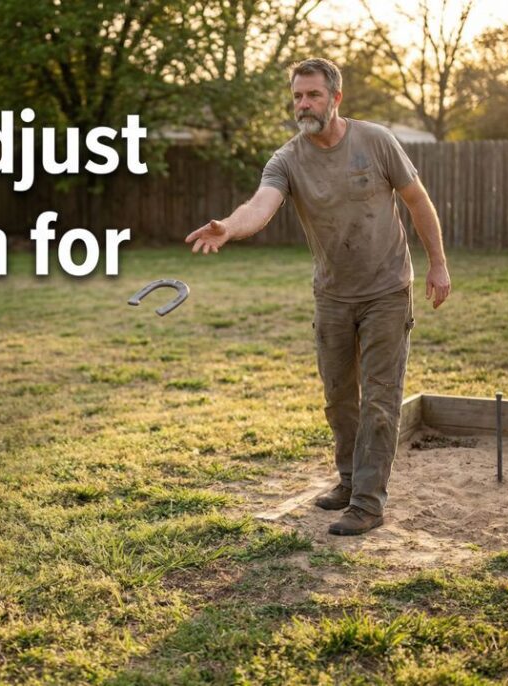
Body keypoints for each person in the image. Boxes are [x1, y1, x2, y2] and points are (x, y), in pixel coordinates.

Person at [185, 57, 451, 536]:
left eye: (312, 95)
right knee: (338, 398)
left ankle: (369, 503)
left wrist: (438, 263)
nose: (303, 104)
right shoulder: (287, 159)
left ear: (335, 98)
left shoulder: (375, 141)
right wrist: (229, 227)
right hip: (332, 294)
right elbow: (260, 207)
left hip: (387, 290)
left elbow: (417, 200)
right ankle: (349, 482)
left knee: (380, 399)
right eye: (297, 97)